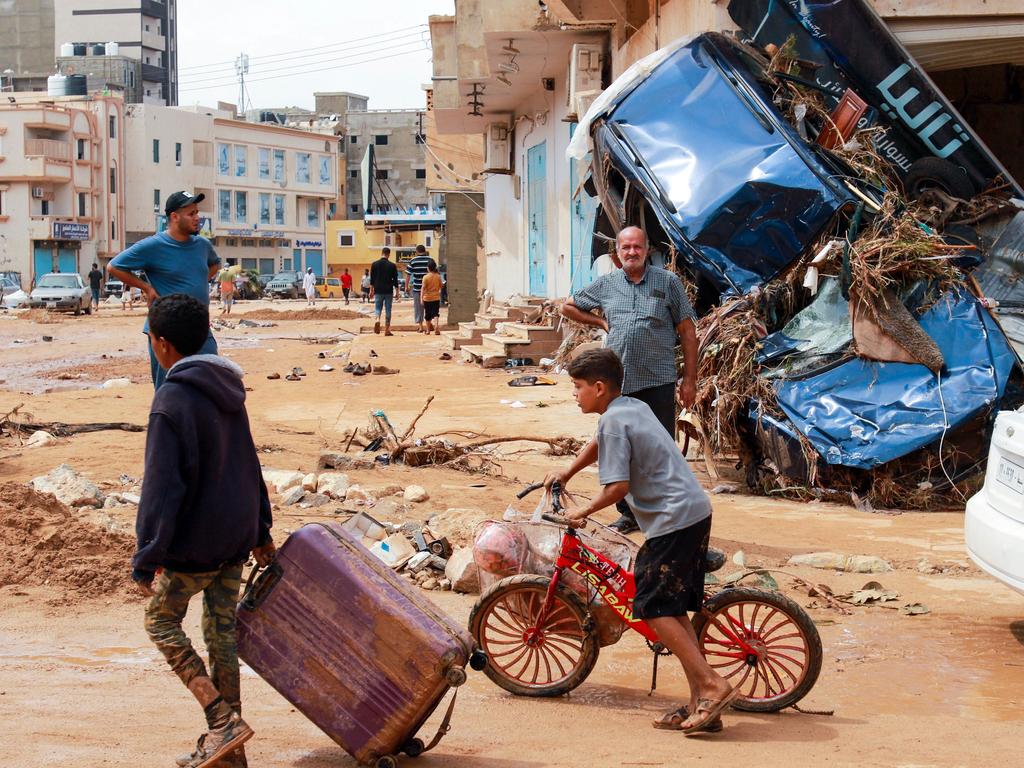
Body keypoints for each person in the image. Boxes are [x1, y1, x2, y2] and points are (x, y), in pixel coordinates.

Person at [544, 348, 735, 734]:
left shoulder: (615, 422)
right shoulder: (628, 408)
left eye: (578, 387)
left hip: (673, 520)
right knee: (672, 609)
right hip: (692, 510)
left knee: (649, 607)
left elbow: (617, 487)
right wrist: (567, 471)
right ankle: (701, 701)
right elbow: (599, 443)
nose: (574, 394)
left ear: (599, 388)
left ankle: (714, 685)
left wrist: (580, 513)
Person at [132, 294, 275, 768]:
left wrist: (147, 555)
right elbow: (249, 462)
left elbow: (161, 488)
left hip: (197, 546)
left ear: (163, 345)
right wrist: (261, 529)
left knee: (160, 622)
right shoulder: (228, 387)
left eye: (151, 338)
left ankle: (220, 718)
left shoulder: (169, 400)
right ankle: (232, 755)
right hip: (235, 536)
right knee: (221, 636)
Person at [560, 226, 698, 534]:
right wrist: (599, 321)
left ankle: (667, 511)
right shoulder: (606, 285)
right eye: (626, 248)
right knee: (618, 449)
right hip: (617, 386)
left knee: (659, 449)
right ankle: (628, 512)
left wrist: (690, 380)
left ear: (647, 250)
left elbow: (688, 333)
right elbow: (567, 306)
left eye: (637, 247)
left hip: (658, 380)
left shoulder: (668, 283)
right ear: (617, 254)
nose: (632, 252)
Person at [108, 191, 221, 389]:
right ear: (174, 217)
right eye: (191, 214)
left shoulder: (202, 245)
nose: (197, 218)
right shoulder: (153, 246)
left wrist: (197, 282)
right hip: (167, 331)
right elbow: (114, 266)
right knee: (170, 388)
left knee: (211, 384)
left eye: (197, 212)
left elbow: (215, 265)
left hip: (201, 327)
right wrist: (146, 288)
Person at [369, 247, 399, 336]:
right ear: (389, 254)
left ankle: (377, 319)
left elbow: (372, 279)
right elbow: (395, 280)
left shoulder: (374, 264)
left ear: (381, 253)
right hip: (388, 290)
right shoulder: (392, 265)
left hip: (378, 290)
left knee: (378, 307)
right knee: (388, 309)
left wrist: (371, 291)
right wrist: (397, 292)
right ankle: (387, 330)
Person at [405, 244, 432, 332]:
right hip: (429, 289)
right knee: (429, 306)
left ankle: (421, 327)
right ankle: (429, 324)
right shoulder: (430, 260)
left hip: (417, 289)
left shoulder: (413, 261)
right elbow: (435, 273)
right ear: (425, 251)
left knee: (418, 308)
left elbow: (408, 275)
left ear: (417, 251)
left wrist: (406, 286)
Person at [421, 259, 443, 336]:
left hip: (427, 298)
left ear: (428, 268)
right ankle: (436, 326)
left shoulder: (425, 277)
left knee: (427, 314)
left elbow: (423, 288)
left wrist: (421, 298)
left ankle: (428, 330)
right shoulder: (438, 276)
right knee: (436, 313)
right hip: (436, 298)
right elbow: (441, 286)